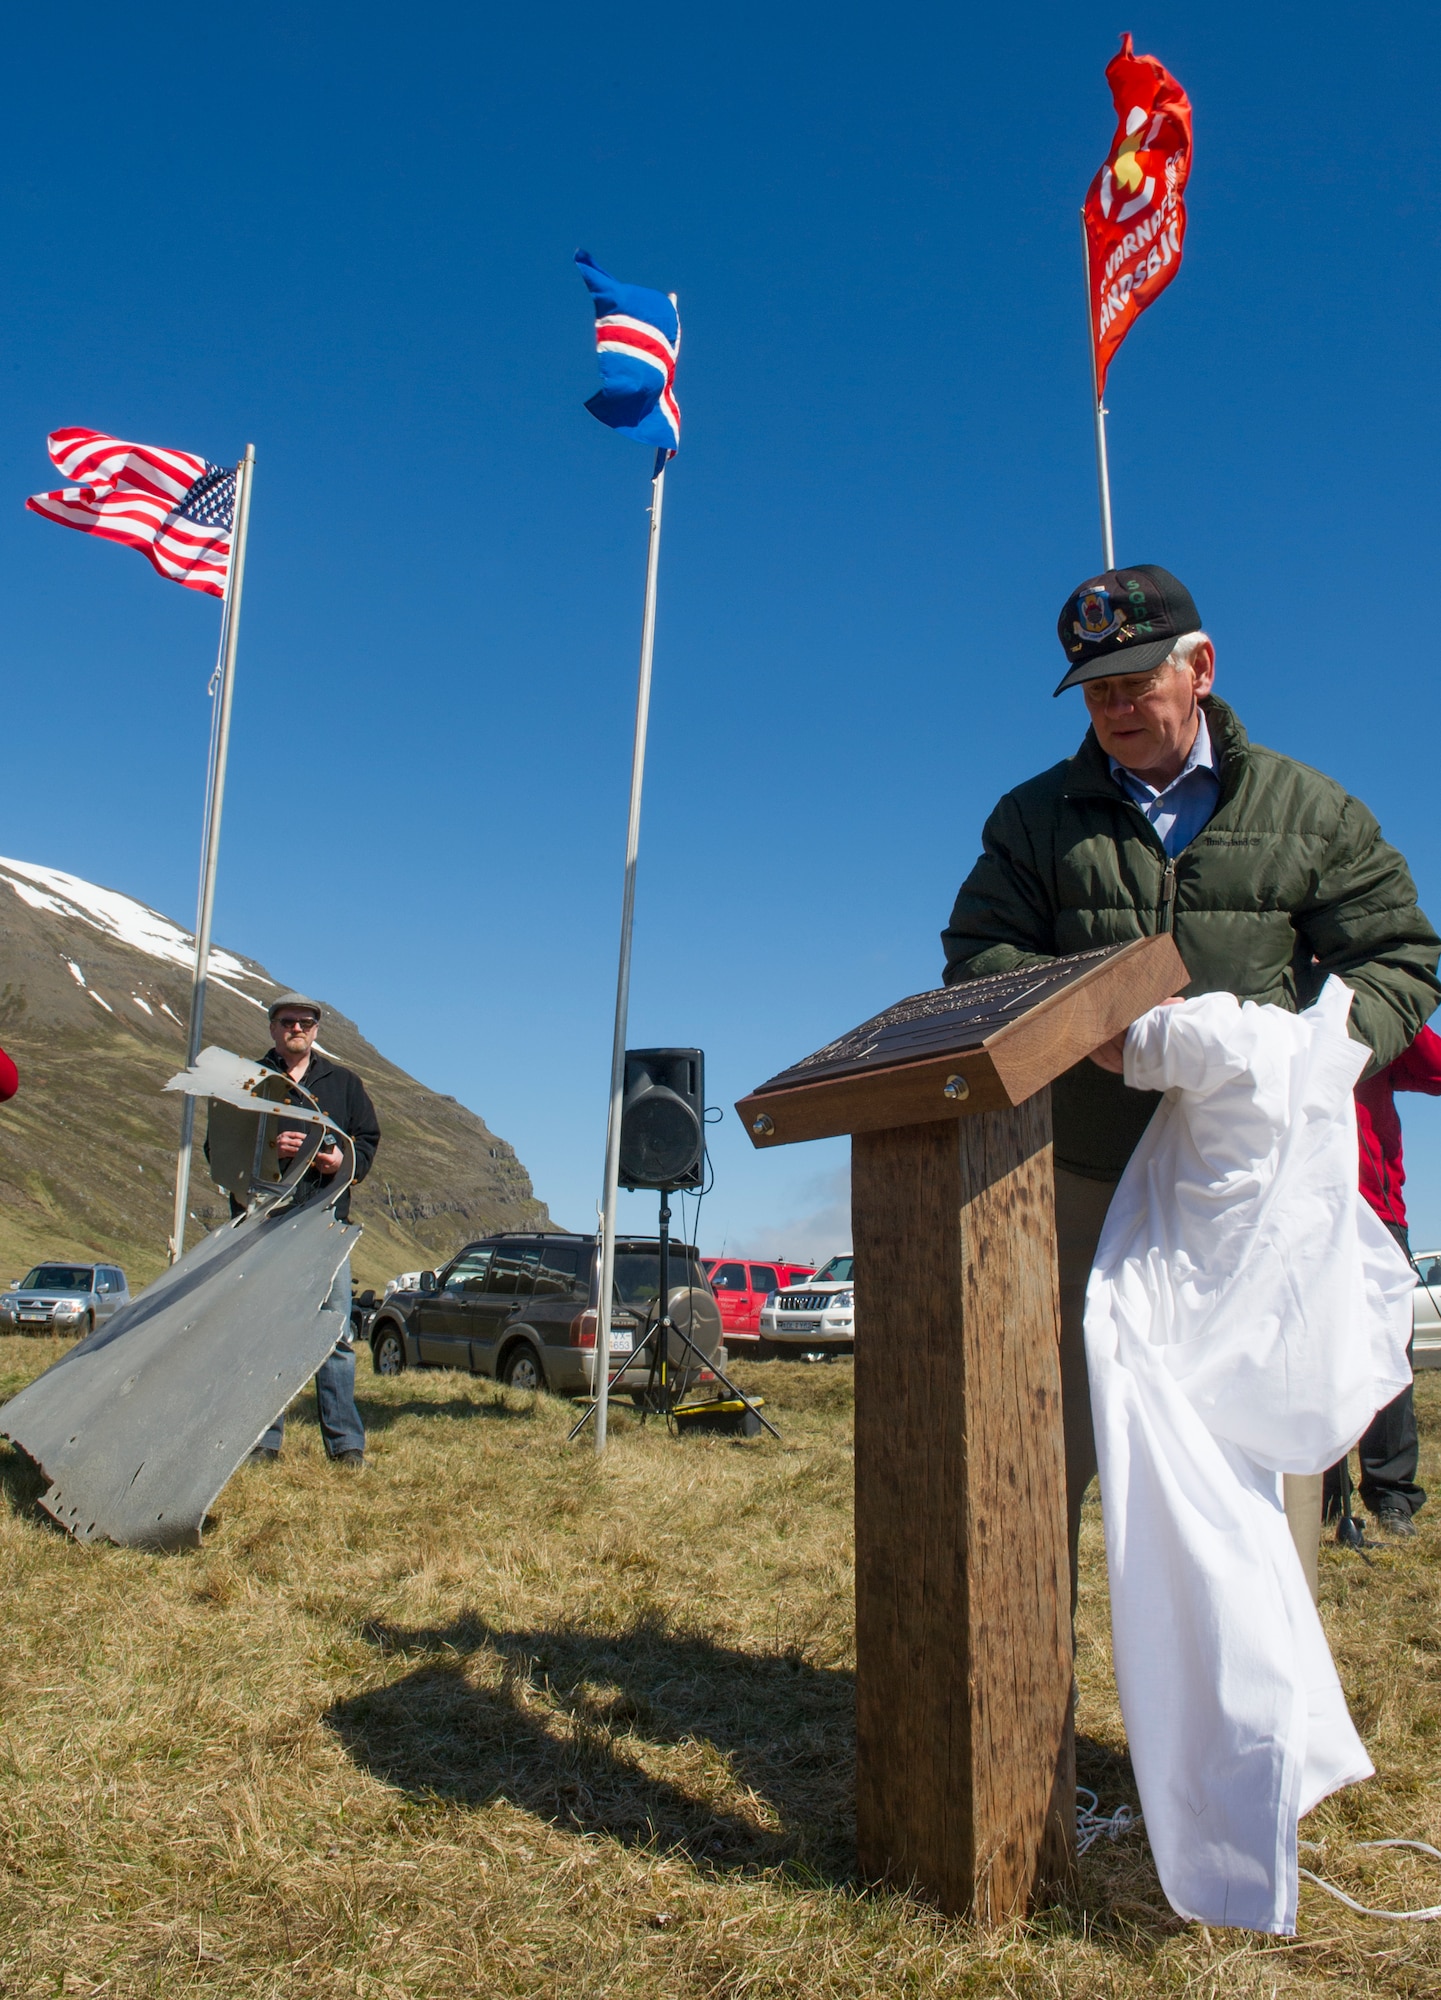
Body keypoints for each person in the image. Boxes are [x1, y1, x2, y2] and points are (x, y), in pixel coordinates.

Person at [941, 563, 1440, 1593]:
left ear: (1200, 667)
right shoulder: (1033, 820)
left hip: (1248, 1194)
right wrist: (1090, 1029)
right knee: (1045, 1450)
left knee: (1250, 1461)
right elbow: (978, 953)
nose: (1116, 706)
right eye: (1095, 688)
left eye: (1135, 680)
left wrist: (1322, 1055)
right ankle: (1033, 1736)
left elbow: (1398, 954)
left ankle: (1252, 1737)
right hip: (1080, 1177)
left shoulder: (1309, 810)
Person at [250, 992, 381, 1468]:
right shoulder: (252, 1080)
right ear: (273, 1028)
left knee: (336, 1336)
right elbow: (217, 1146)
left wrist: (341, 1160)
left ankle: (346, 1445)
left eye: (306, 1022)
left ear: (317, 1030)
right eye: (288, 1022)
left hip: (328, 1224)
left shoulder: (344, 1083)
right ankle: (263, 1441)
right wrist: (270, 1146)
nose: (297, 1029)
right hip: (266, 1224)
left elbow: (366, 1140)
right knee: (267, 1334)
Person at [1323, 1023, 1441, 1536]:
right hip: (1298, 1207)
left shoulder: (1373, 1010)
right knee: (1307, 1354)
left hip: (1376, 1208)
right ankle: (1319, 1495)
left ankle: (1391, 1495)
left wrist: (1386, 1010)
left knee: (1386, 1348)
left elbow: (1435, 1069)